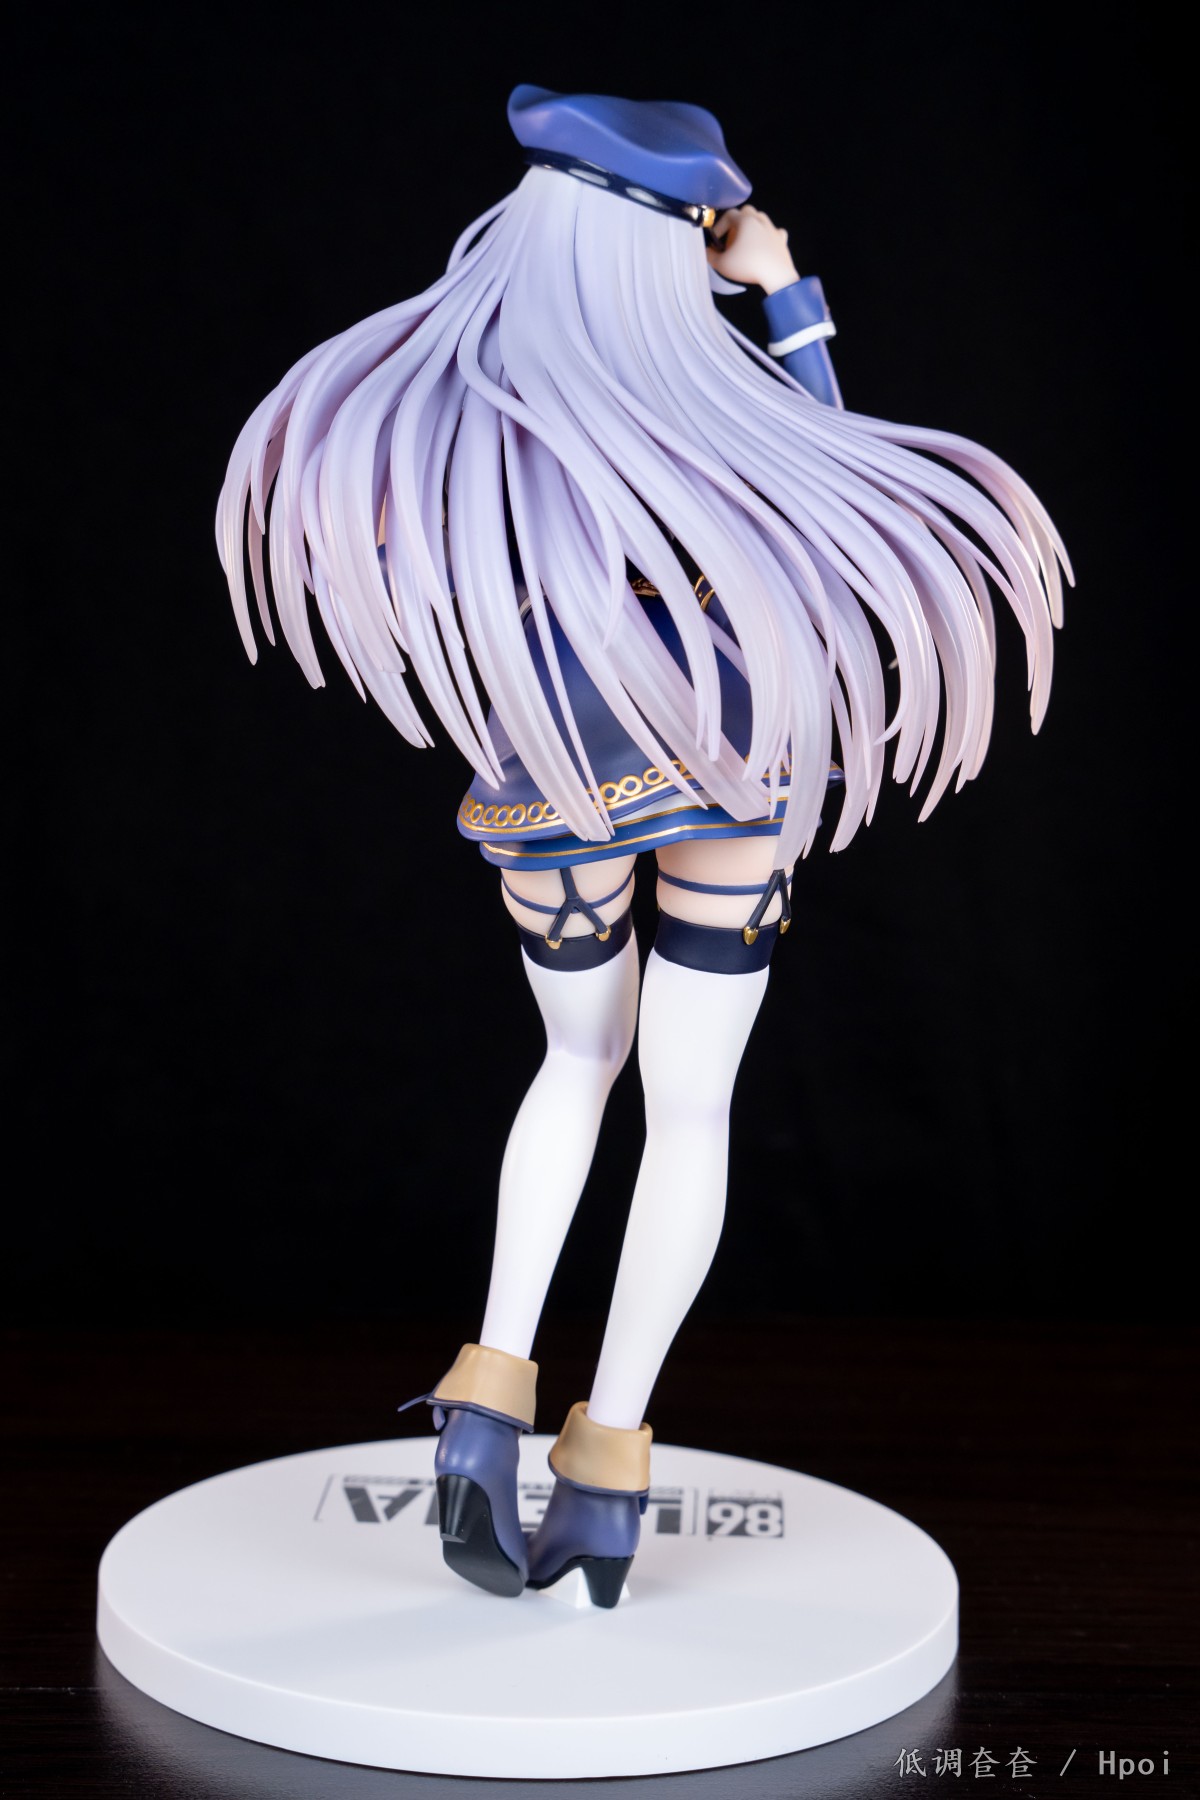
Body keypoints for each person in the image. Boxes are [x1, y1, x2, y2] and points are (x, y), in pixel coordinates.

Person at [217, 84, 1070, 1606]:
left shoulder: (465, 392)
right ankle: (608, 1461)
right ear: (683, 244)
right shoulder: (726, 405)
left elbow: (406, 544)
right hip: (734, 762)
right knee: (690, 1109)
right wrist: (782, 290)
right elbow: (832, 490)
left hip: (555, 770)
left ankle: (489, 1389)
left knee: (574, 1063)